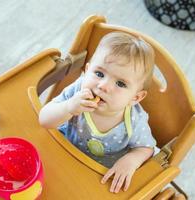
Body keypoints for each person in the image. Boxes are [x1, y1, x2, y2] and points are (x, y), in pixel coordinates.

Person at [39, 32, 157, 193]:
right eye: (99, 74)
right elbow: (44, 120)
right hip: (63, 153)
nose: (103, 86)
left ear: (135, 97)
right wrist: (68, 107)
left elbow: (146, 147)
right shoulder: (77, 92)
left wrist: (131, 161)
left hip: (98, 174)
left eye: (121, 83)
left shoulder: (134, 121)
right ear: (87, 71)